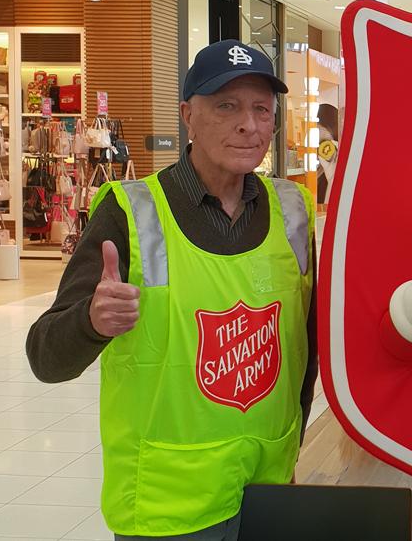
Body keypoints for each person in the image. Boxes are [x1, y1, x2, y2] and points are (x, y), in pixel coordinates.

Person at [26, 39, 317, 541]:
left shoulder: (293, 209)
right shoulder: (130, 212)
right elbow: (45, 358)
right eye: (227, 106)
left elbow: (304, 347)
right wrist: (91, 323)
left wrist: (292, 452)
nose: (248, 124)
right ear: (188, 115)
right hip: (167, 503)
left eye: (261, 109)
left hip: (268, 486)